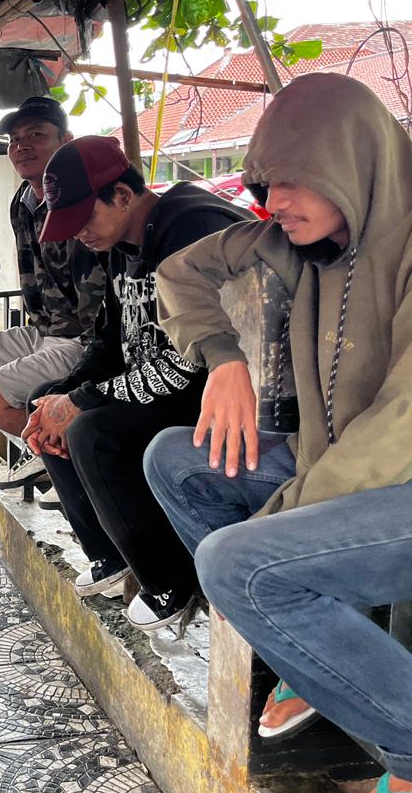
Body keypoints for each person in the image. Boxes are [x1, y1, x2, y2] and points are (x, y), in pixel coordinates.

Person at [142, 73, 412, 793]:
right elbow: (180, 274)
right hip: (334, 467)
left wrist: (281, 520)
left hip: (399, 483)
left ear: (353, 164)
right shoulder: (306, 242)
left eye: (295, 179)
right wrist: (222, 359)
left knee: (239, 565)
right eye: (266, 182)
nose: (274, 201)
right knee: (176, 460)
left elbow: (400, 427)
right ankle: (306, 661)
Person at [20, 136, 251, 629]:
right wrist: (65, 395)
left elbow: (188, 363)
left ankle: (170, 578)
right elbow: (108, 340)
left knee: (91, 430)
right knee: (46, 405)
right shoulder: (118, 244)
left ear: (122, 195)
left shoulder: (191, 229)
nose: (78, 233)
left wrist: (82, 401)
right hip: (156, 387)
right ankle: (111, 554)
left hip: (216, 394)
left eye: (84, 217)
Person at [0, 96, 104, 496]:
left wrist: (91, 360)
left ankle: (68, 462)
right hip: (44, 329)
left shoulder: (83, 199)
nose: (22, 146)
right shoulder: (24, 200)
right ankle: (46, 450)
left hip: (84, 338)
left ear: (66, 140)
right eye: (15, 139)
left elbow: (101, 293)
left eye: (36, 135)